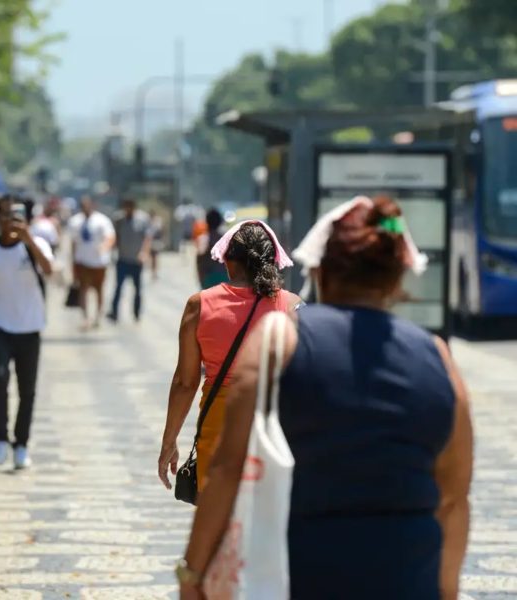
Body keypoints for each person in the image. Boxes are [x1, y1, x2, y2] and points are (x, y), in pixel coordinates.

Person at [177, 196, 473, 600]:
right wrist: (446, 590)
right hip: (406, 576)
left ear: (320, 269)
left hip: (302, 573)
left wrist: (193, 574)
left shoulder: (279, 342)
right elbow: (454, 498)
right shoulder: (438, 357)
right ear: (397, 279)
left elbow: (228, 469)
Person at [158, 220, 300, 494]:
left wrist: (169, 441)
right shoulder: (293, 306)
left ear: (229, 262)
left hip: (219, 426)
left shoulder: (199, 305)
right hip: (274, 426)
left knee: (219, 519)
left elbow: (185, 383)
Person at [0, 195, 53, 469]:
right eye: (5, 216)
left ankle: (21, 445)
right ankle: (0, 440)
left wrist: (28, 239)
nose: (10, 222)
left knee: (27, 389)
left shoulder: (35, 245)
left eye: (16, 216)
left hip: (29, 328)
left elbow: (50, 270)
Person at [68, 195, 115, 330]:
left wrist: (104, 247)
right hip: (82, 261)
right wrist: (73, 262)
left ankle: (98, 316)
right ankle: (85, 317)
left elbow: (110, 237)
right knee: (83, 289)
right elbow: (73, 243)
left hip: (99, 263)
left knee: (99, 290)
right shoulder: (75, 222)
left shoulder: (102, 220)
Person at [107, 198, 151, 323]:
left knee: (137, 289)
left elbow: (147, 238)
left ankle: (136, 312)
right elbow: (115, 236)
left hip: (136, 261)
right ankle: (114, 312)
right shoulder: (119, 219)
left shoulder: (142, 219)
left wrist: (144, 253)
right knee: (118, 287)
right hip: (123, 259)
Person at [195, 208, 228, 289]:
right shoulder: (225, 239)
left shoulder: (203, 239)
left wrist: (201, 278)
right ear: (220, 222)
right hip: (225, 278)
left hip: (208, 279)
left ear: (206, 222)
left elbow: (200, 257)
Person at [148, 209, 164, 280]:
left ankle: (154, 272)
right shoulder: (148, 221)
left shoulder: (158, 221)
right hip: (150, 241)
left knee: (155, 257)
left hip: (156, 241)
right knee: (152, 258)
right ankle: (153, 272)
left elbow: (161, 230)